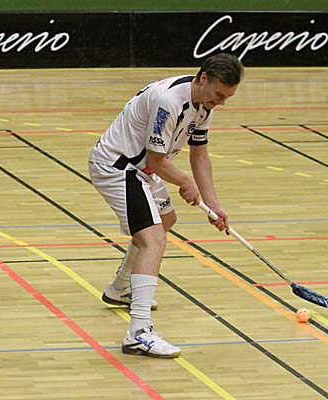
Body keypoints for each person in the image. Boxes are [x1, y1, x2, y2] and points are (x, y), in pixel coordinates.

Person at [88, 53, 244, 358]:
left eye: (227, 97)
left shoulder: (203, 104)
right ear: (203, 78)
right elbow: (157, 160)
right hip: (119, 167)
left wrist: (213, 205)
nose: (221, 102)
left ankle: (121, 288)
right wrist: (184, 182)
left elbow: (200, 155)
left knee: (166, 219)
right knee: (154, 238)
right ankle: (138, 333)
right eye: (219, 95)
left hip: (142, 170)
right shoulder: (168, 101)